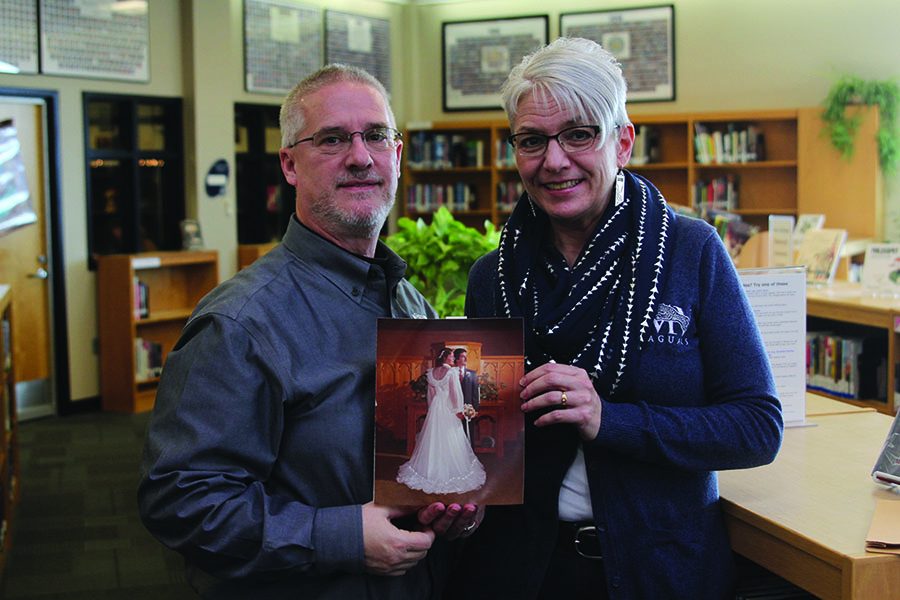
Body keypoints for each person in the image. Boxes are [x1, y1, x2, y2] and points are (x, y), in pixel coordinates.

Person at [453, 38, 784, 599]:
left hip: (661, 570)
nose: (554, 161)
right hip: (524, 572)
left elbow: (756, 427)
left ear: (622, 142)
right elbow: (482, 441)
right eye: (532, 140)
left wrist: (611, 419)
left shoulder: (689, 251)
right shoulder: (494, 277)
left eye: (580, 134)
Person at [138, 64, 481, 599]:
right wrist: (339, 537)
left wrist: (451, 509)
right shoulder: (240, 323)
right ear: (289, 164)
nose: (361, 156)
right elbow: (182, 501)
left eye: (376, 136)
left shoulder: (406, 301)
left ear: (397, 152)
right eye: (332, 139)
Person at [397, 348, 486, 494]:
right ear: (445, 357)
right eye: (451, 356)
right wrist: (458, 411)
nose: (453, 359)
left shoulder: (431, 373)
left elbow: (430, 394)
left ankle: (430, 470)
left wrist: (432, 410)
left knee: (434, 438)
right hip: (448, 408)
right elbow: (454, 393)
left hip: (435, 408)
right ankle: (450, 470)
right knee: (451, 437)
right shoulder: (451, 372)